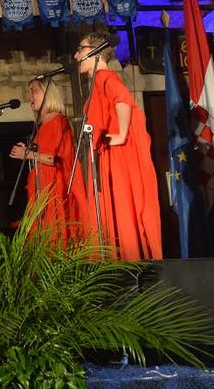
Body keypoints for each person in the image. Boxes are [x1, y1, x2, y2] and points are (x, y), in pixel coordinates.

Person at [74, 30, 162, 261]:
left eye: (80, 49)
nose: (75, 56)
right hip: (105, 157)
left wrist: (121, 134)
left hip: (115, 156)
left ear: (94, 53)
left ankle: (125, 259)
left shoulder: (106, 78)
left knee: (119, 207)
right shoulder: (97, 82)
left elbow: (123, 101)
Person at [9, 78, 89, 244]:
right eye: (28, 92)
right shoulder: (43, 124)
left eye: (34, 91)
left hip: (54, 188)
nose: (29, 96)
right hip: (42, 187)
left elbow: (52, 159)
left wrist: (28, 154)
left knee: (54, 235)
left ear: (48, 94)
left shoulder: (57, 120)